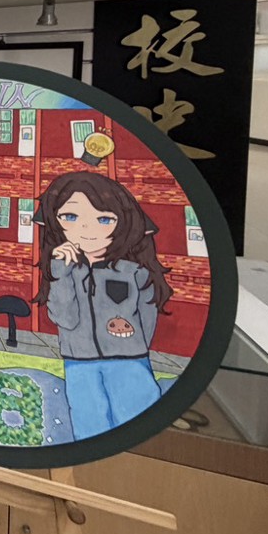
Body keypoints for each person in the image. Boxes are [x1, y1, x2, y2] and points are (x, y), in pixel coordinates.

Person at [35, 171, 170, 440]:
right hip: (79, 363)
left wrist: (131, 344)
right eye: (70, 217)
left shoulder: (132, 271)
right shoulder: (65, 271)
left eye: (104, 219)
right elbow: (64, 318)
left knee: (139, 426)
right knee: (89, 429)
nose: (87, 230)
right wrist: (60, 270)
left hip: (129, 361)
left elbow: (148, 316)